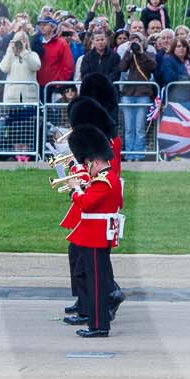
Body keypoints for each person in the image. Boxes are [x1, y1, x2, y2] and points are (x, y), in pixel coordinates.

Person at [59, 123, 124, 338]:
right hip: (94, 234)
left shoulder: (105, 180)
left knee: (96, 284)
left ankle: (99, 326)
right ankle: (97, 324)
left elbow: (85, 204)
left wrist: (76, 189)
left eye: (89, 165)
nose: (87, 168)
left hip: (95, 236)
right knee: (96, 281)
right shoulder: (104, 179)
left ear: (96, 162)